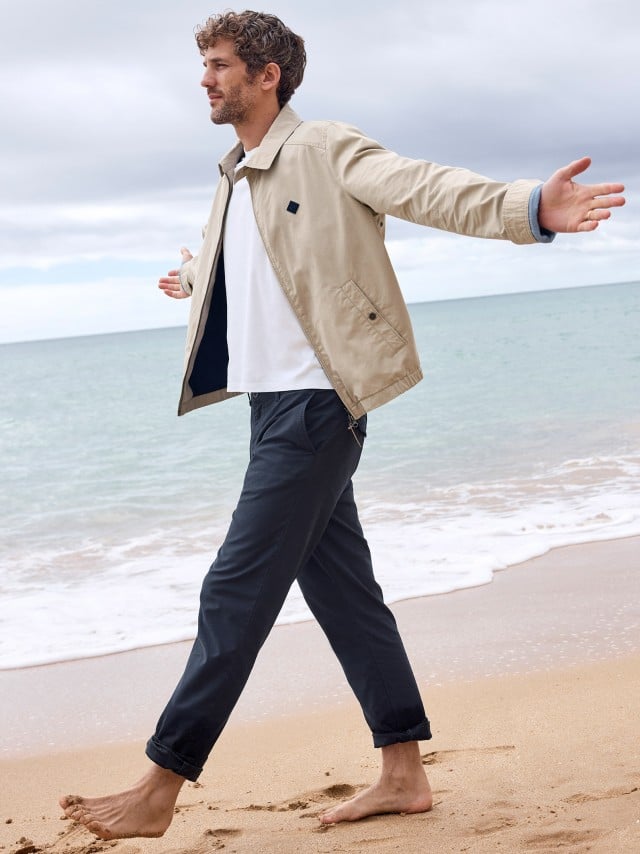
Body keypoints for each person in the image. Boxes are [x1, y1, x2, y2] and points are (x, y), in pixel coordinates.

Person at [60, 10, 625, 840]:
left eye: (220, 65)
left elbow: (422, 187)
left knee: (234, 589)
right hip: (271, 409)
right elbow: (264, 258)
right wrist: (192, 276)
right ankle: (403, 773)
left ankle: (160, 784)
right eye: (204, 66)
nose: (206, 80)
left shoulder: (324, 147)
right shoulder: (236, 174)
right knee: (346, 596)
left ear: (267, 76)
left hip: (318, 408)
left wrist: (529, 207)